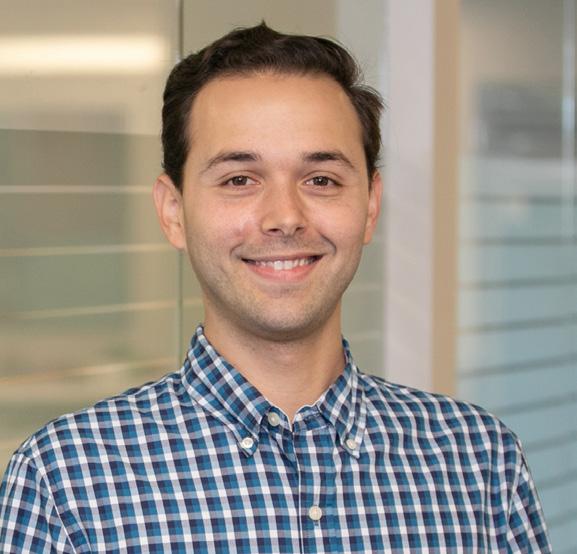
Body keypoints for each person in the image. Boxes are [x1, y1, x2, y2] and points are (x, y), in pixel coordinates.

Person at [0, 23, 551, 553]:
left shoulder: (479, 461)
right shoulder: (64, 485)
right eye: (239, 179)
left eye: (321, 180)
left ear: (370, 206)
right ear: (173, 212)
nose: (285, 217)